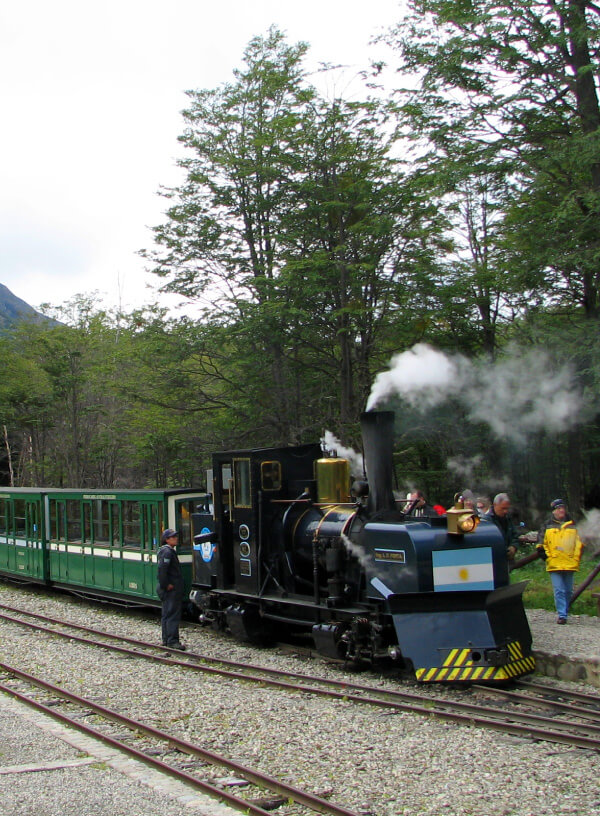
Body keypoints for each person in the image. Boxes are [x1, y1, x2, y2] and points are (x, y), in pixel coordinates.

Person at [536, 499, 585, 624]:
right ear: (554, 511)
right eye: (559, 509)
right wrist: (547, 556)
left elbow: (579, 543)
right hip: (554, 562)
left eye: (563, 508)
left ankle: (565, 611)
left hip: (570, 562)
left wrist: (576, 557)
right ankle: (562, 615)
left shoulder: (573, 524)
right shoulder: (546, 525)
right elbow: (541, 542)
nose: (561, 510)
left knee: (568, 590)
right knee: (559, 590)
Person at [157, 528, 186, 650]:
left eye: (176, 536)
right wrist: (166, 585)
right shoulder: (167, 552)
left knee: (166, 614)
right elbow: (162, 570)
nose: (176, 539)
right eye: (173, 537)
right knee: (172, 614)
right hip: (170, 590)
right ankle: (172, 640)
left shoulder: (165, 551)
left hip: (169, 589)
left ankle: (166, 639)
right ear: (167, 539)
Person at [483, 493, 520, 558]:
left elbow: (515, 535)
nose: (505, 511)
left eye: (507, 508)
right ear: (495, 505)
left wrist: (513, 547)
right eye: (503, 508)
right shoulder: (486, 521)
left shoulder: (508, 518)